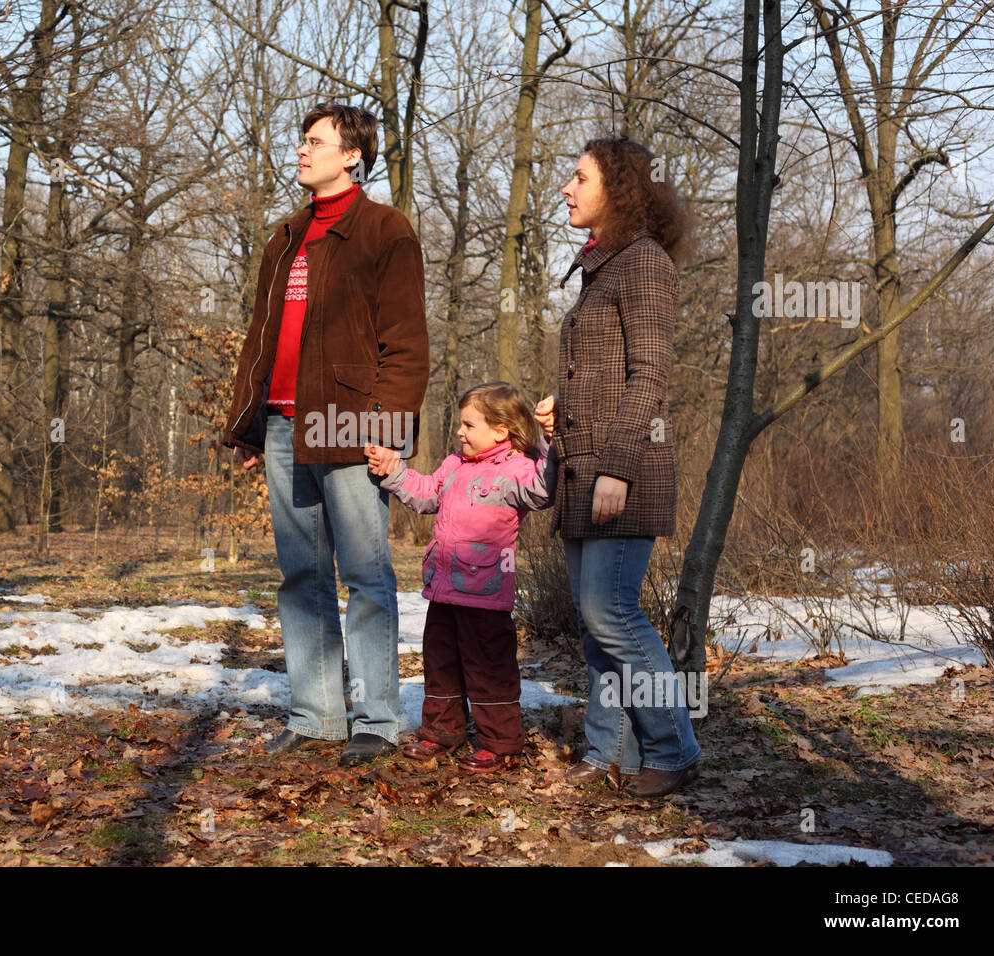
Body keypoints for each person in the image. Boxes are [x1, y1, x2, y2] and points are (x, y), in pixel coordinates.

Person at [222, 102, 429, 767]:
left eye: (315, 142)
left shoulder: (386, 230)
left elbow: (406, 345)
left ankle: (375, 720)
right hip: (283, 423)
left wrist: (388, 429)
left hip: (351, 425)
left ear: (352, 156)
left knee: (366, 575)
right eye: (301, 140)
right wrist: (249, 426)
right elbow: (260, 340)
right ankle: (315, 717)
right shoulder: (283, 236)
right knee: (301, 574)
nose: (302, 151)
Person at [534, 135, 701, 797]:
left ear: (617, 189)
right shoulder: (603, 264)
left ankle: (674, 748)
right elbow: (605, 372)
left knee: (613, 615)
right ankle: (608, 754)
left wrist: (618, 468)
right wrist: (563, 407)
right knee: (596, 623)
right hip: (584, 469)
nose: (567, 189)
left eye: (579, 178)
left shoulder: (644, 263)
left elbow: (650, 376)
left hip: (619, 474)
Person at [365, 383, 557, 774]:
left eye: (469, 425)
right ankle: (441, 732)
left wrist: (552, 441)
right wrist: (395, 469)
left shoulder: (517, 469)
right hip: (443, 590)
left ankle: (501, 743)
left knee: (489, 668)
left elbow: (542, 490)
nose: (460, 432)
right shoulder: (454, 464)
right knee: (441, 663)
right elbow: (425, 495)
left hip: (486, 596)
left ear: (501, 430)